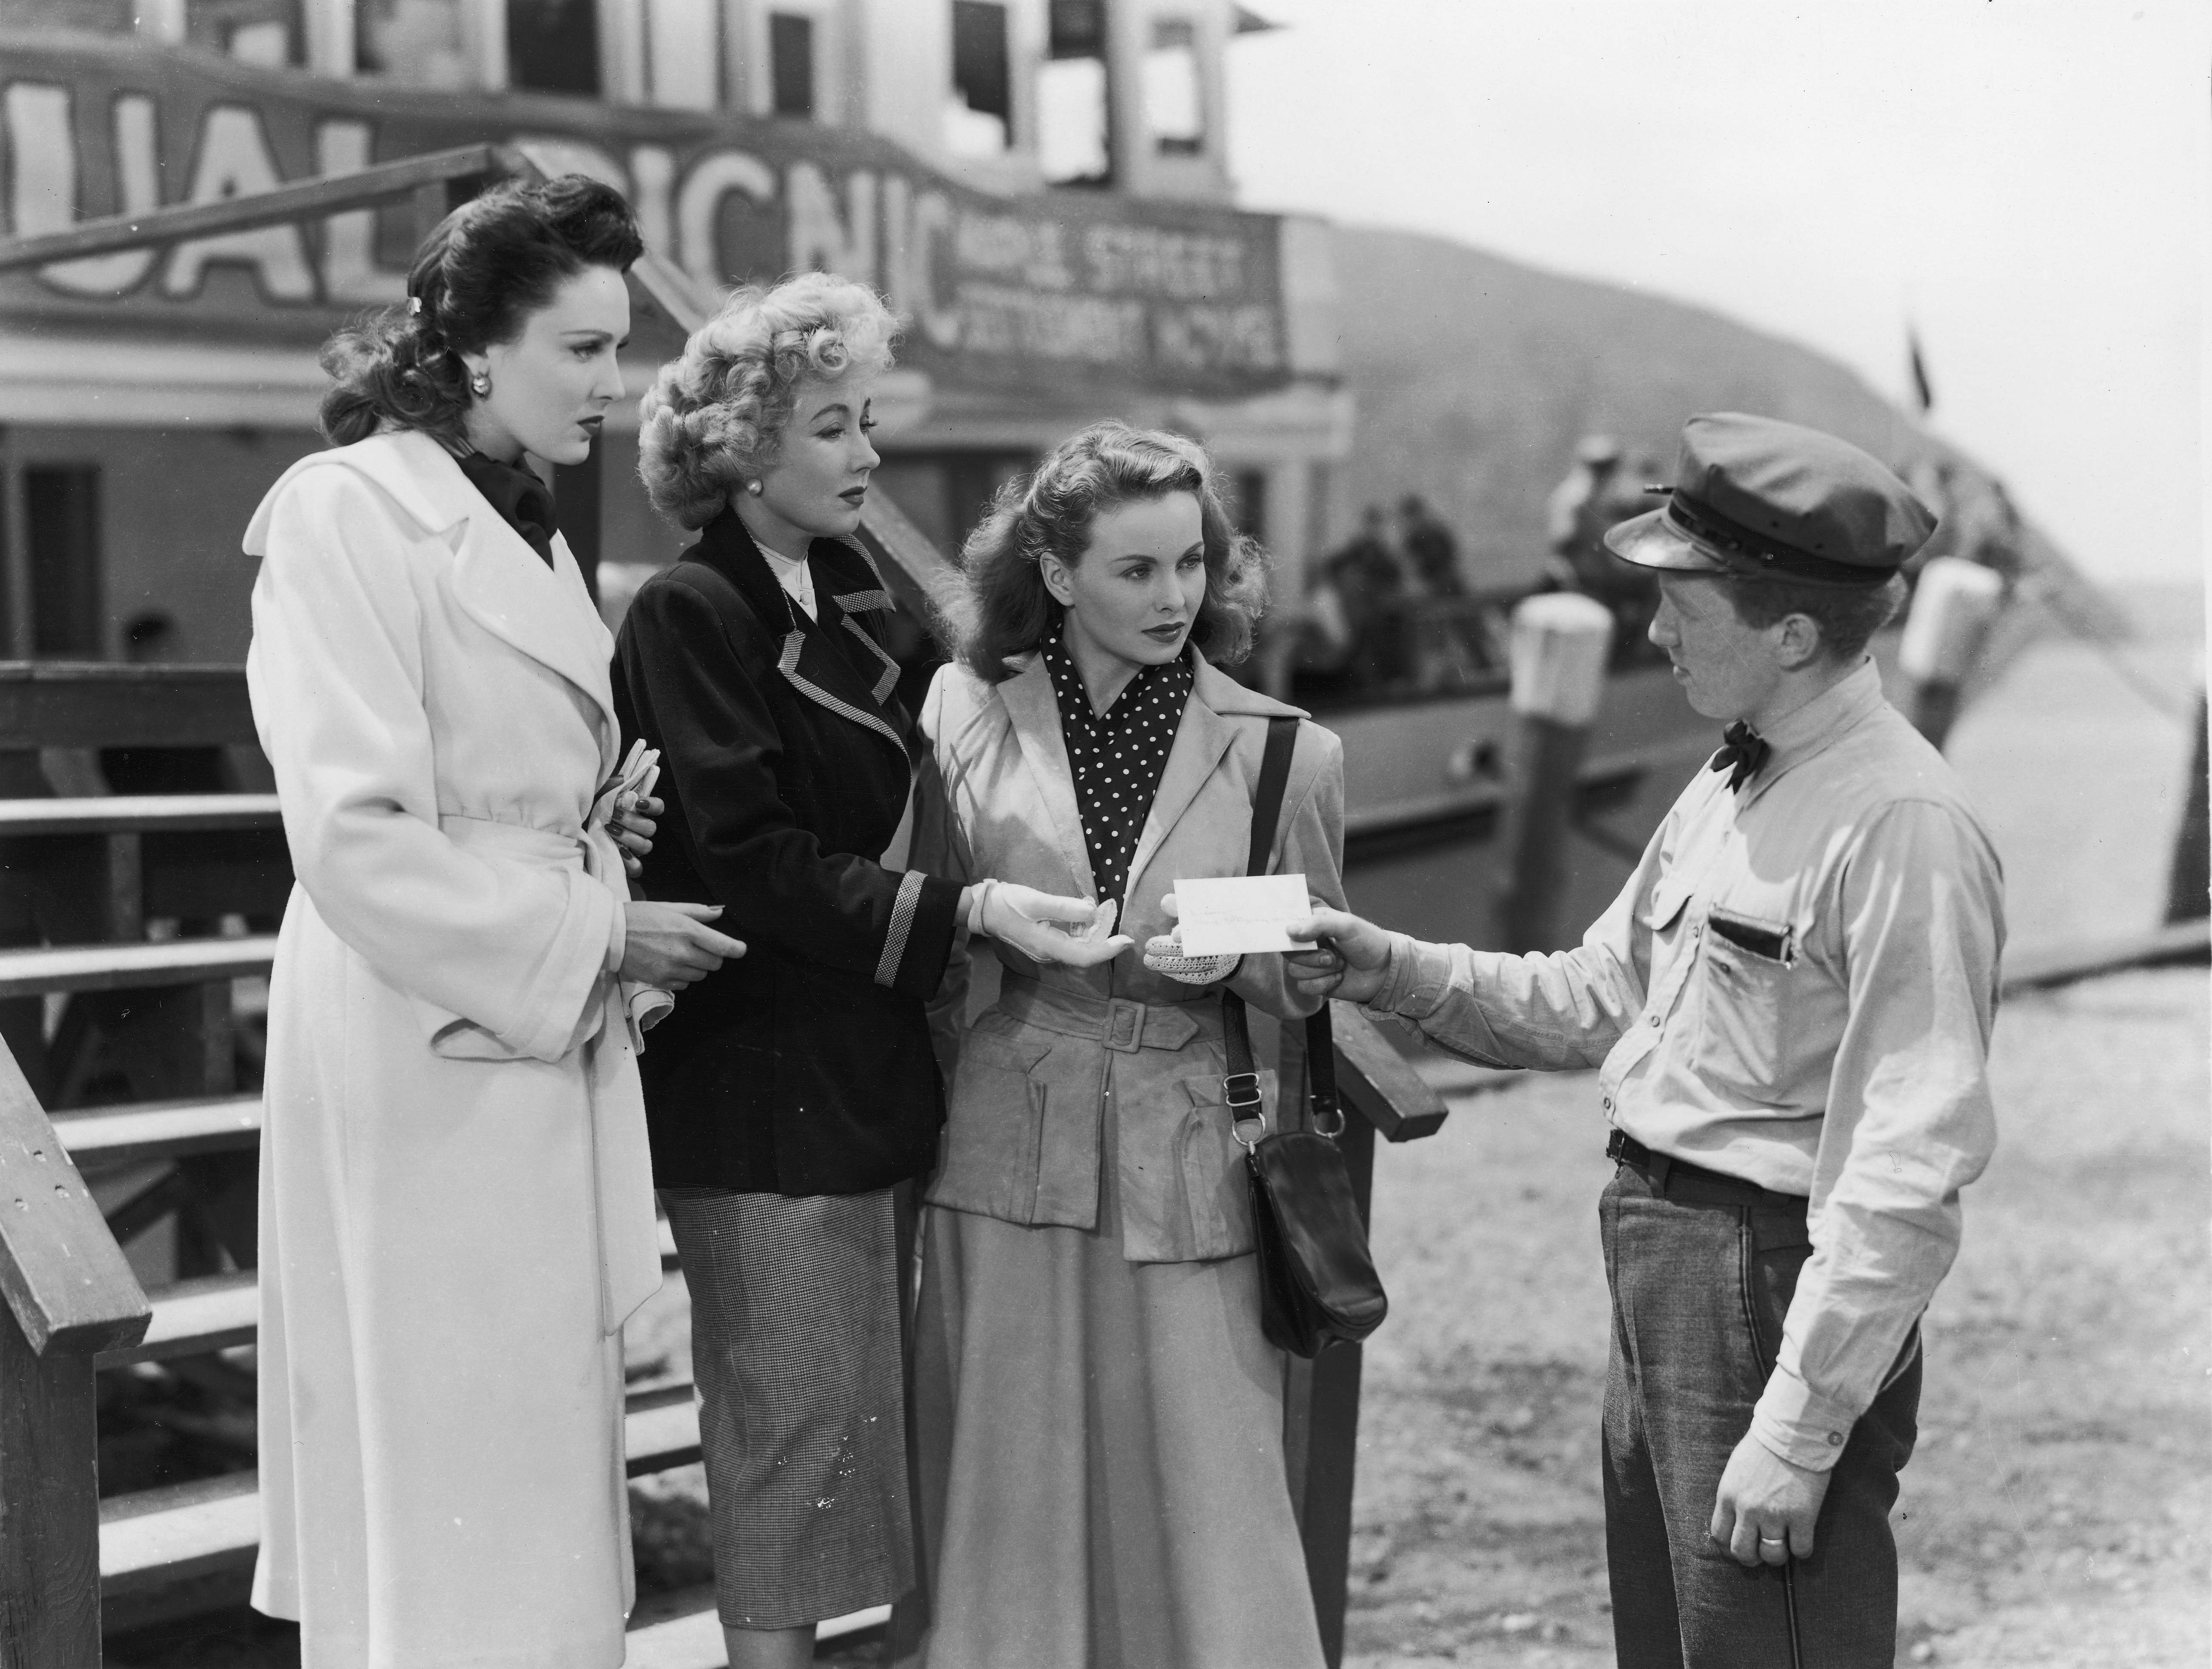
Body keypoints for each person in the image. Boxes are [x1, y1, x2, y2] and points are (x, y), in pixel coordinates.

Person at [1287, 413, 2003, 1669]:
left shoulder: (1898, 826)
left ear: (1789, 635)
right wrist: (1386, 966)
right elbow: (1596, 994)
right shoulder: (1734, 778)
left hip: (1764, 1283)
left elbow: (1909, 1160)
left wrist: (1799, 1422)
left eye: (1684, 605)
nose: (1655, 632)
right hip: (1665, 1263)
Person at [245, 175, 745, 1669]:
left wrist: (594, 833)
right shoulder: (347, 515)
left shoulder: (518, 529)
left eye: (618, 349)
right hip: (422, 1039)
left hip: (511, 1018)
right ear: (474, 350)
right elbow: (354, 832)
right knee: (445, 1457)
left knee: (523, 1445)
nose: (617, 383)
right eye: (583, 351)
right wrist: (600, 932)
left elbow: (494, 788)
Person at [611, 274, 1121, 1669]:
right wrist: (970, 913)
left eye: (866, 421)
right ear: (743, 447)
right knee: (791, 1423)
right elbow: (756, 863)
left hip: (859, 1067)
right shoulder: (689, 612)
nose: (867, 456)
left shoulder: (841, 600)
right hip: (765, 1085)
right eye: (835, 428)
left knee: (862, 1418)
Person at [890, 422, 1347, 1669]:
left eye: (1190, 565)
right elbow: (927, 922)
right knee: (1007, 1487)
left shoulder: (1284, 748)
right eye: (1136, 570)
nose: (1174, 597)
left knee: (1209, 1493)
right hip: (1002, 1137)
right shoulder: (960, 710)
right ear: (1054, 575)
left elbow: (1309, 966)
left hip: (1187, 1138)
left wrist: (1260, 961)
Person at [1397, 492, 1466, 596]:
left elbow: (1450, 551)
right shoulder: (1413, 538)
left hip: (1441, 577)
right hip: (1431, 580)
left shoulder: (1433, 532)